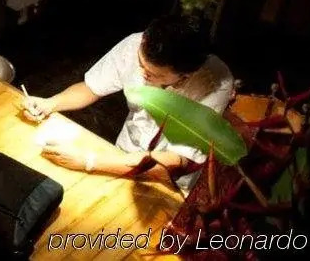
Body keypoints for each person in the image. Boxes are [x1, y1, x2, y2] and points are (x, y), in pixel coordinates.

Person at [20, 15, 234, 192]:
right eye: (141, 64)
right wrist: (50, 103)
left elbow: (175, 161)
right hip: (121, 153)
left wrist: (90, 162)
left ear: (186, 75)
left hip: (166, 183)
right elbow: (91, 87)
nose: (143, 73)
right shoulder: (136, 44)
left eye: (154, 74)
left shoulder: (214, 82)